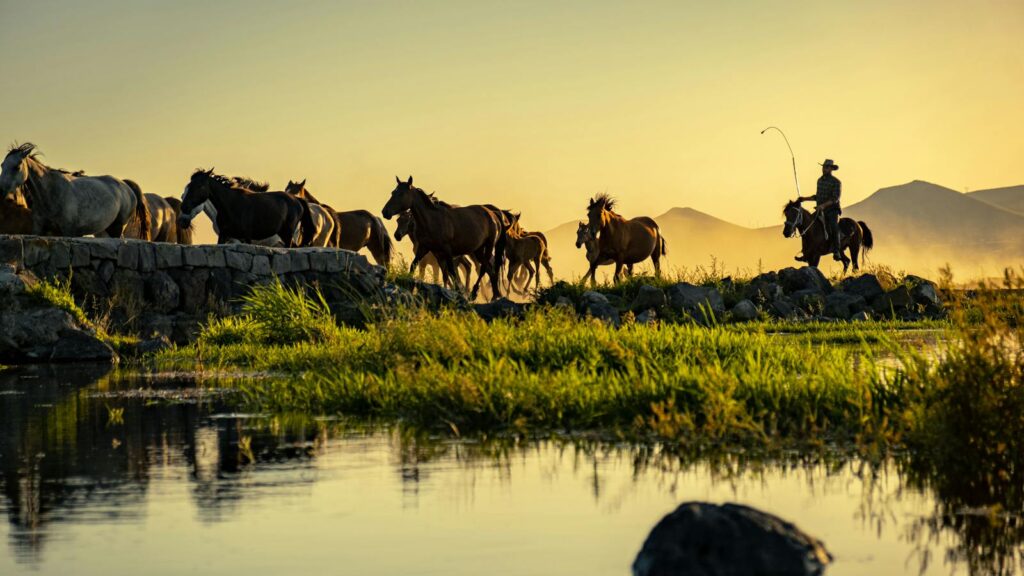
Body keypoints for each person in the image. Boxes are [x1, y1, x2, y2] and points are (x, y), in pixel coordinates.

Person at [797, 159, 842, 261]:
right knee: (806, 226)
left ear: (831, 169)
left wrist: (823, 206)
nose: (824, 169)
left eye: (826, 167)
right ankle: (806, 251)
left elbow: (835, 198)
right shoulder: (819, 181)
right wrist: (804, 199)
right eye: (823, 167)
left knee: (834, 227)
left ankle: (837, 250)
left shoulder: (836, 182)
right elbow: (817, 196)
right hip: (820, 210)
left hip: (832, 210)